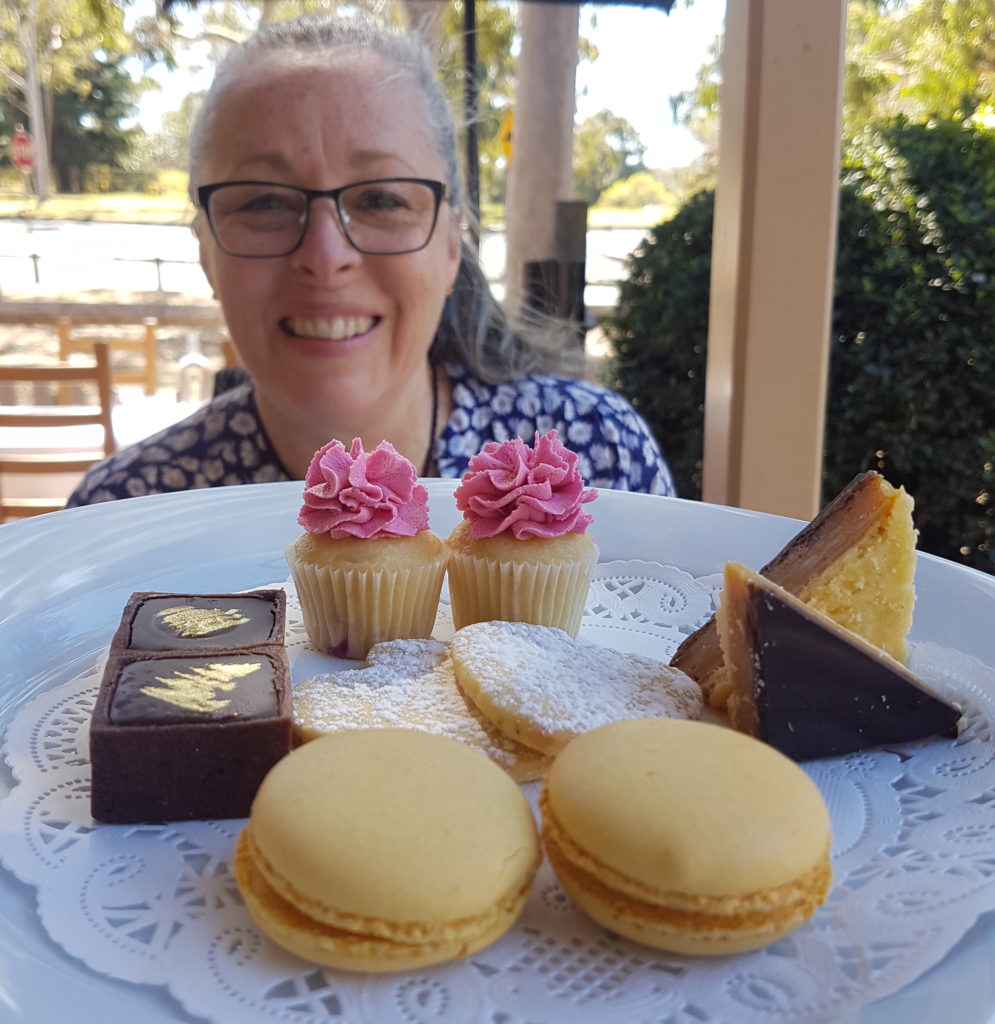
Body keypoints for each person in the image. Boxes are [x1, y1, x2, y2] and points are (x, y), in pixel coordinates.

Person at [67, 13, 675, 508]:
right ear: (205, 247)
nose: (326, 257)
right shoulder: (120, 514)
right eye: (265, 202)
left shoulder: (596, 461)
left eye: (382, 199)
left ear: (450, 244)